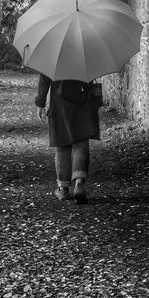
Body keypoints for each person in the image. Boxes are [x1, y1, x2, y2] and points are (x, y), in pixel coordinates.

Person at [35, 74, 103, 204]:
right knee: (81, 145)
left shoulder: (52, 55)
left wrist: (40, 103)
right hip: (82, 105)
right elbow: (93, 77)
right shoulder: (85, 54)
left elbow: (44, 79)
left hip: (59, 106)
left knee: (62, 147)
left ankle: (63, 189)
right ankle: (78, 184)